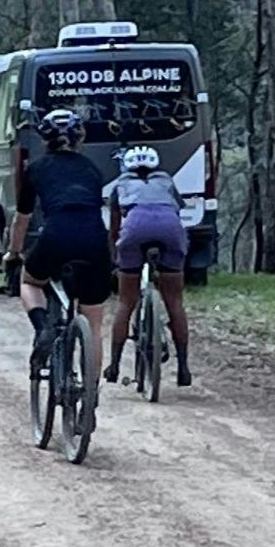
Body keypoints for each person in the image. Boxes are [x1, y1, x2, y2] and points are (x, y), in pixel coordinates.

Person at [7, 108, 113, 389]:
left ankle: (43, 328)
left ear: (44, 139)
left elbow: (22, 219)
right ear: (80, 138)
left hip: (56, 236)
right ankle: (90, 394)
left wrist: (14, 253)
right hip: (94, 240)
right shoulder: (92, 169)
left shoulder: (36, 169)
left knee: (29, 281)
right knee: (93, 322)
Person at [104, 145, 194, 389]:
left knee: (125, 302)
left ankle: (113, 365)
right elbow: (177, 209)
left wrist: (115, 257)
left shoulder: (120, 185)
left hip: (134, 230)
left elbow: (114, 229)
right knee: (174, 301)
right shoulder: (166, 180)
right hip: (170, 230)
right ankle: (184, 368)